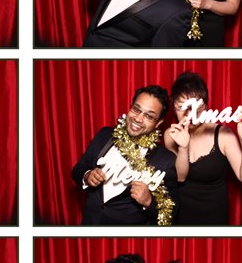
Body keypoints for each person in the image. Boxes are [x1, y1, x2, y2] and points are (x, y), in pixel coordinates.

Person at [71, 85, 178, 225]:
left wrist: (149, 201)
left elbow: (173, 212)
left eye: (149, 116)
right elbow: (78, 169)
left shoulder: (166, 160)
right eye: (136, 109)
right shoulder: (105, 135)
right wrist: (87, 176)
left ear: (159, 122)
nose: (138, 119)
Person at [165, 72, 242, 225]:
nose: (190, 113)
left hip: (214, 218)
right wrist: (183, 148)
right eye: (182, 107)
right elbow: (180, 177)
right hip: (180, 215)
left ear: (205, 105)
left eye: (196, 106)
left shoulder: (224, 135)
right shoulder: (171, 135)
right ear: (174, 108)